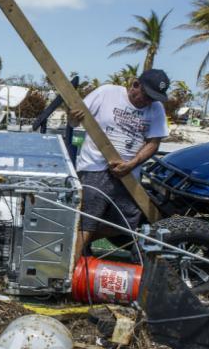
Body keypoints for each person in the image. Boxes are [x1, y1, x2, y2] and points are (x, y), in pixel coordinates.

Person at [67, 69, 170, 260]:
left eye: (152, 99)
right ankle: (69, 270)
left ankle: (77, 245)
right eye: (145, 95)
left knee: (126, 222)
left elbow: (154, 143)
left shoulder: (155, 108)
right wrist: (72, 116)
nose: (146, 102)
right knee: (88, 219)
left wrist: (132, 164)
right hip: (95, 167)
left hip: (129, 174)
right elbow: (74, 121)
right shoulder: (107, 93)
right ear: (135, 84)